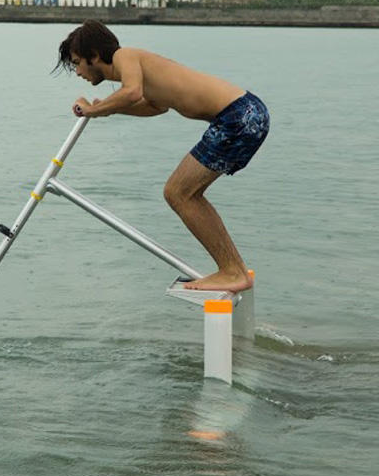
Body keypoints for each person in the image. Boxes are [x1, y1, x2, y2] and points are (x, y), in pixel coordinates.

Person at [54, 19, 268, 292]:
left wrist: (92, 110)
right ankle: (234, 270)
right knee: (185, 193)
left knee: (178, 193)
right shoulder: (141, 72)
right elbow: (154, 107)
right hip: (246, 114)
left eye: (76, 62)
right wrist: (105, 109)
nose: (76, 71)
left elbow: (132, 93)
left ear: (94, 56)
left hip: (238, 116)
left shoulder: (125, 55)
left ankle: (231, 271)